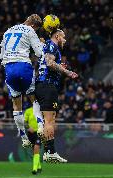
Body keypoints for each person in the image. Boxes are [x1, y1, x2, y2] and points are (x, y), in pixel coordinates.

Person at [0, 14, 44, 148]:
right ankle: (41, 127)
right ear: (33, 25)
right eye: (36, 29)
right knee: (33, 98)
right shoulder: (30, 30)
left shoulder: (8, 31)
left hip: (9, 68)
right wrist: (41, 43)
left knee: (16, 104)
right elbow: (39, 53)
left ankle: (23, 137)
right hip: (23, 66)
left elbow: (2, 56)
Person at [35, 29, 78, 163]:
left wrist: (59, 66)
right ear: (57, 36)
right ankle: (50, 152)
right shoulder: (52, 45)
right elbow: (49, 63)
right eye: (63, 37)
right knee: (49, 120)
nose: (65, 40)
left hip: (42, 85)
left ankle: (48, 150)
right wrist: (67, 71)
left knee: (48, 120)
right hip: (47, 86)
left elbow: (49, 62)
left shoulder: (48, 45)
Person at [24, 106, 42, 175]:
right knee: (34, 151)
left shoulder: (42, 111)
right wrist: (28, 127)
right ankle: (39, 166)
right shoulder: (28, 111)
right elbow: (24, 122)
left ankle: (34, 169)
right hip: (31, 133)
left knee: (36, 148)